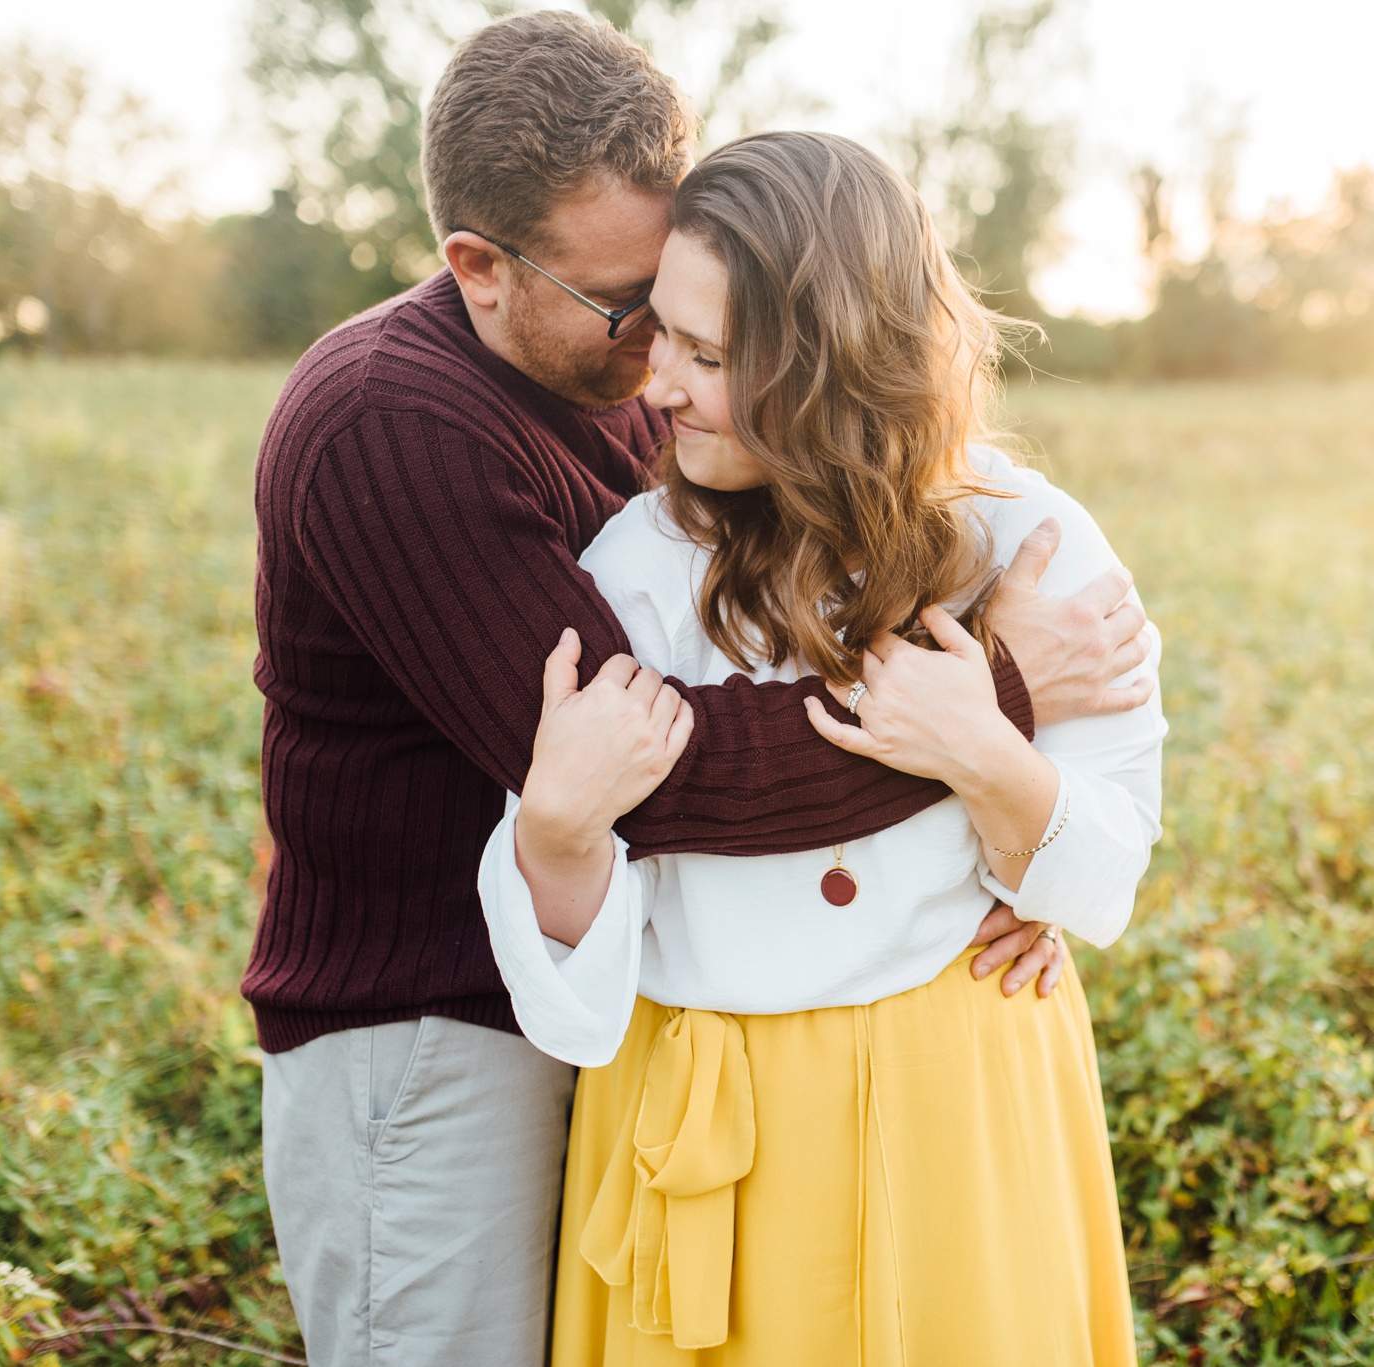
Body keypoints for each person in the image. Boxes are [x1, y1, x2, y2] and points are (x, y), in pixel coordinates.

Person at [246, 13, 1150, 1367]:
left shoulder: (619, 377)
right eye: (634, 313)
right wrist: (991, 702)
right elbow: (654, 776)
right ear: (479, 269)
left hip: (747, 1045)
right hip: (428, 1022)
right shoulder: (399, 426)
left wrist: (1009, 834)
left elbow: (1089, 836)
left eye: (689, 326)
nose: (655, 379)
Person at [479, 130, 1163, 1365]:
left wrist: (986, 750)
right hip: (699, 1110)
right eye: (660, 339)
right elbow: (569, 990)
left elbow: (1105, 870)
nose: (659, 388)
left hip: (959, 1091)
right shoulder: (631, 571)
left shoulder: (1029, 545)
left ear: (837, 364)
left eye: (710, 354)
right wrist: (556, 841)